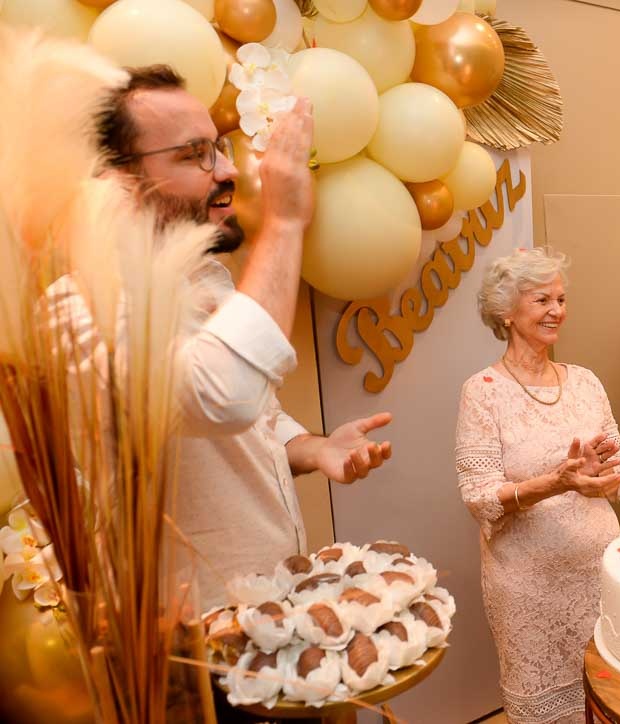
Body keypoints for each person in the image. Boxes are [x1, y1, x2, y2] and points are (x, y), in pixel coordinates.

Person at [72, 65, 394, 608]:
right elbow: (221, 395)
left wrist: (312, 447)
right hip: (187, 635)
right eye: (194, 154)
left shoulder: (206, 279)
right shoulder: (84, 305)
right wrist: (285, 221)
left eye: (218, 148)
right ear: (119, 181)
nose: (228, 170)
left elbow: (253, 418)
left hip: (270, 612)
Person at [455, 248, 620, 724]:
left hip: (598, 574)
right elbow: (479, 495)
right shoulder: (483, 392)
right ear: (506, 312)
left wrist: (605, 474)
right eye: (542, 300)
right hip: (527, 588)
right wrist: (558, 481)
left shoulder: (586, 383)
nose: (557, 311)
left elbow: (619, 459)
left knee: (606, 701)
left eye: (561, 299)